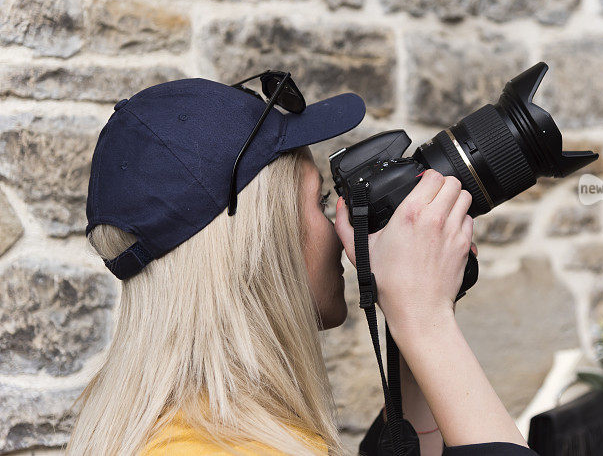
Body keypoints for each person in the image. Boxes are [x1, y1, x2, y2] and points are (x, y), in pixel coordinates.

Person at [67, 74, 537, 455]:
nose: (339, 221)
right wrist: (426, 324)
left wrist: (410, 327)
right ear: (262, 240)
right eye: (319, 201)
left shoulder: (208, 427)